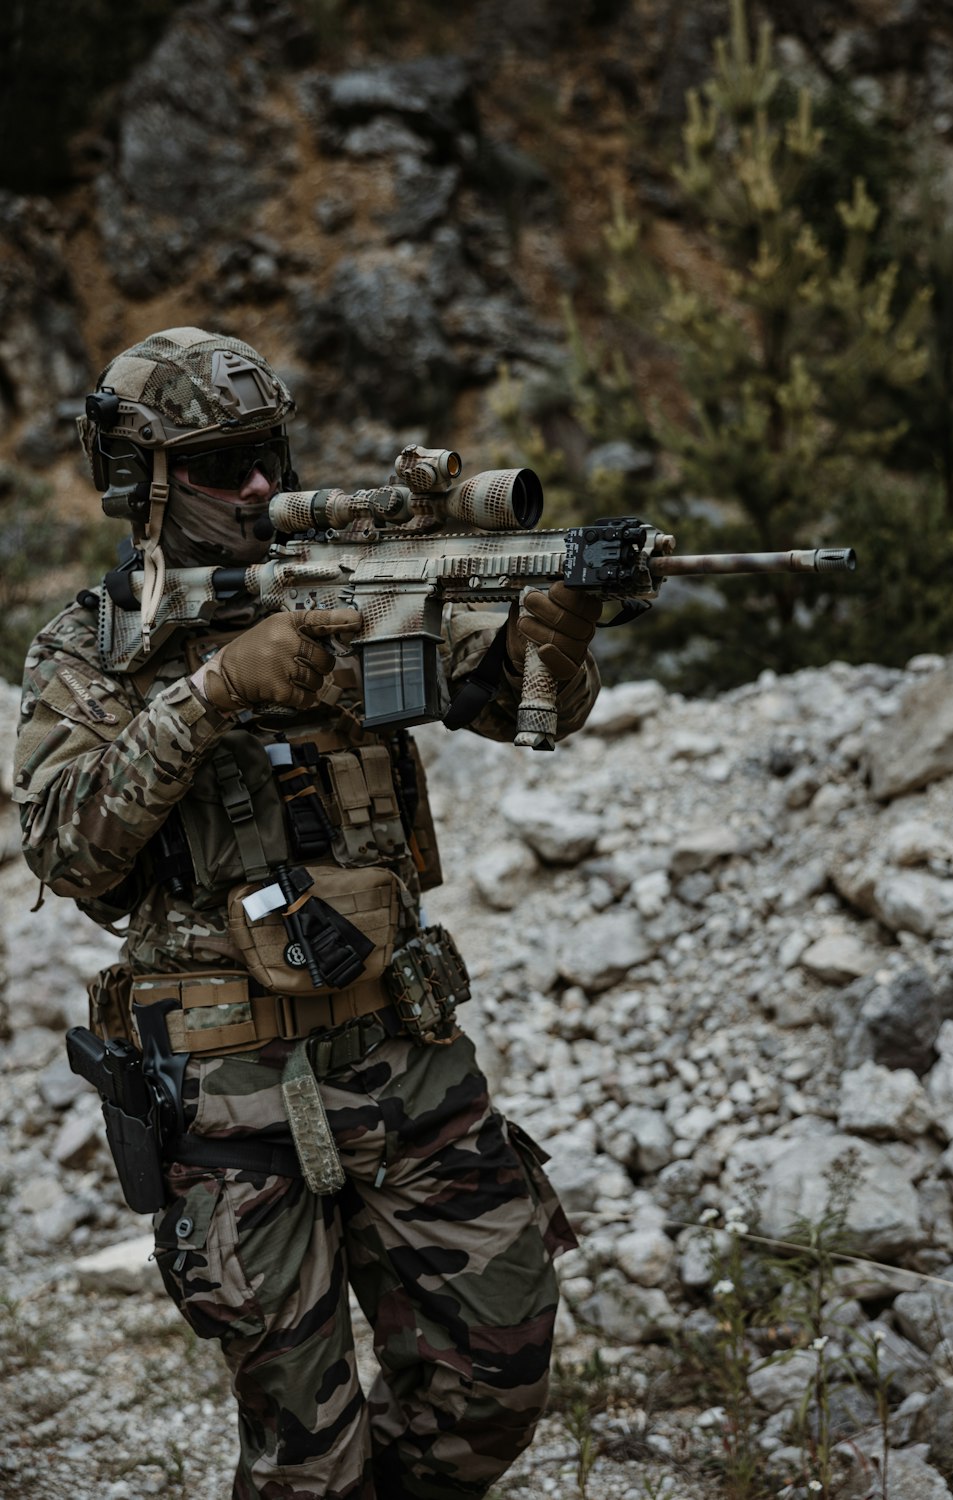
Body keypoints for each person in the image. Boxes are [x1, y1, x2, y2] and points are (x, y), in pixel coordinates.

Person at [13, 327, 602, 1500]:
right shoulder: (92, 649)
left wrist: (559, 633)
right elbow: (69, 848)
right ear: (146, 482)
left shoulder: (346, 592)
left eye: (269, 455)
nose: (262, 487)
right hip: (228, 1093)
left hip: (400, 1049)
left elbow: (522, 705)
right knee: (305, 1455)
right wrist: (215, 690)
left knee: (497, 1373)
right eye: (225, 465)